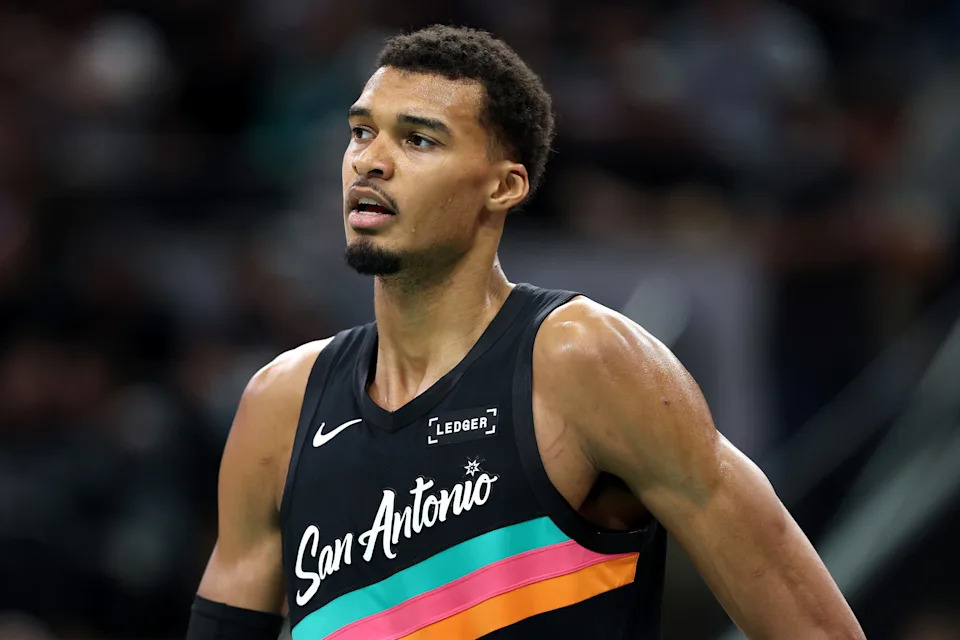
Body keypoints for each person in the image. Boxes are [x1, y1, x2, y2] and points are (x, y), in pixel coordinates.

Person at [186, 25, 865, 640]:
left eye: (418, 139)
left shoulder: (584, 362)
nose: (370, 161)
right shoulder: (281, 404)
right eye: (363, 132)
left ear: (504, 187)